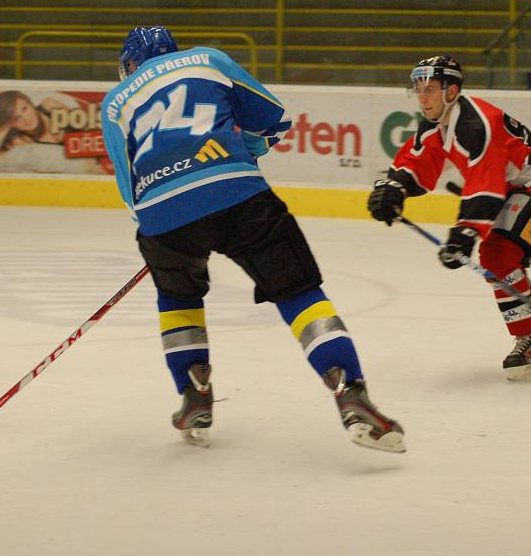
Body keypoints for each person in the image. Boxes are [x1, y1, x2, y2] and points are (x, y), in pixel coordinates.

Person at [100, 26, 405, 453]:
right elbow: (274, 117)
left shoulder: (115, 100)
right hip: (236, 191)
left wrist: (156, 229)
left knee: (178, 297)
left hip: (161, 212)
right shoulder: (208, 58)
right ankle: (349, 391)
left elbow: (125, 178)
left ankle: (194, 399)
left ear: (130, 64)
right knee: (298, 291)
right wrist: (238, 147)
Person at [367, 55, 531, 381]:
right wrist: (394, 187)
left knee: (497, 255)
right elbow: (419, 160)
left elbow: (486, 181)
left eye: (430, 89)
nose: (422, 97)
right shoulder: (440, 123)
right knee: (502, 260)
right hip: (517, 186)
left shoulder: (475, 123)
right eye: (418, 89)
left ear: (452, 91)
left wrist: (465, 232)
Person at [0, 90, 105, 175]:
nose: (26, 119)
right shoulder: (22, 140)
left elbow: (89, 122)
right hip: (80, 171)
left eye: (25, 108)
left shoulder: (48, 105)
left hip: (100, 152)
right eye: (16, 118)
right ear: (11, 125)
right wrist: (4, 126)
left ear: (30, 103)